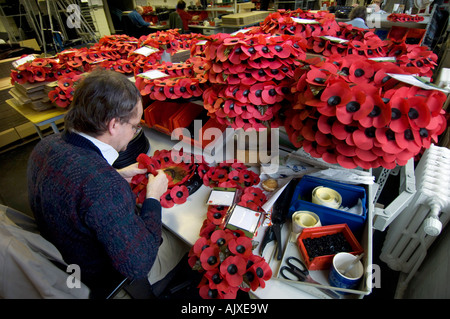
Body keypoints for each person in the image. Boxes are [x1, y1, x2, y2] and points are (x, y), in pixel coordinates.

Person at [27, 70, 188, 299]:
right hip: (104, 279)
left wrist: (115, 173)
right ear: (114, 125)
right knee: (184, 238)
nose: (135, 132)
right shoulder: (103, 187)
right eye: (134, 126)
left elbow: (76, 181)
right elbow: (139, 264)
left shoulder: (45, 146)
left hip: (65, 259)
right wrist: (153, 197)